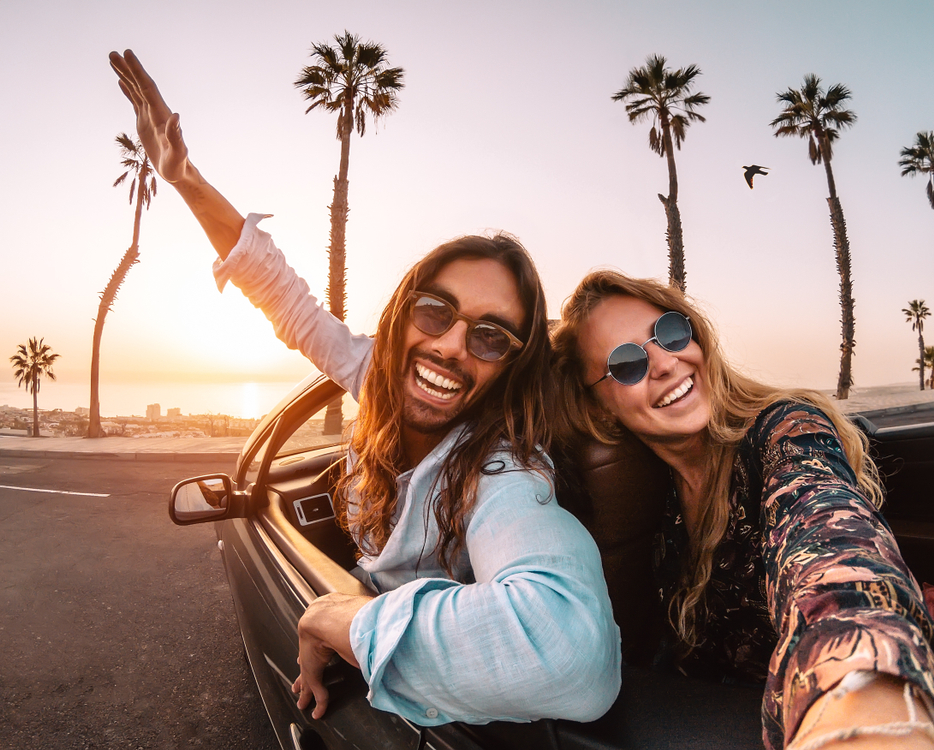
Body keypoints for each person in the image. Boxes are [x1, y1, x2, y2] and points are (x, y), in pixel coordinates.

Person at [109, 50, 620, 727]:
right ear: (405, 310)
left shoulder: (503, 473)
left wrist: (341, 617)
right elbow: (282, 296)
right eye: (435, 310)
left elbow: (570, 650)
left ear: (510, 369)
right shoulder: (375, 378)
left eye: (490, 336)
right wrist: (184, 178)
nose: (450, 346)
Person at [550, 270, 934, 750]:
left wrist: (862, 694)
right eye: (626, 363)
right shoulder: (651, 489)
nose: (665, 363)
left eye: (669, 332)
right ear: (598, 406)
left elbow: (829, 542)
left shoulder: (785, 430)